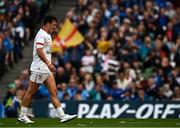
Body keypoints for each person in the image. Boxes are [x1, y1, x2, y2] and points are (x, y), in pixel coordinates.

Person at [18, 15, 76, 123]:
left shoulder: (48, 35)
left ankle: (62, 115)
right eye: (53, 24)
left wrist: (48, 64)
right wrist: (48, 63)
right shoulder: (41, 35)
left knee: (53, 92)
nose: (55, 27)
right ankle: (22, 115)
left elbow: (45, 51)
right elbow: (39, 51)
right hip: (39, 68)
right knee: (31, 92)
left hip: (46, 69)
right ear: (47, 24)